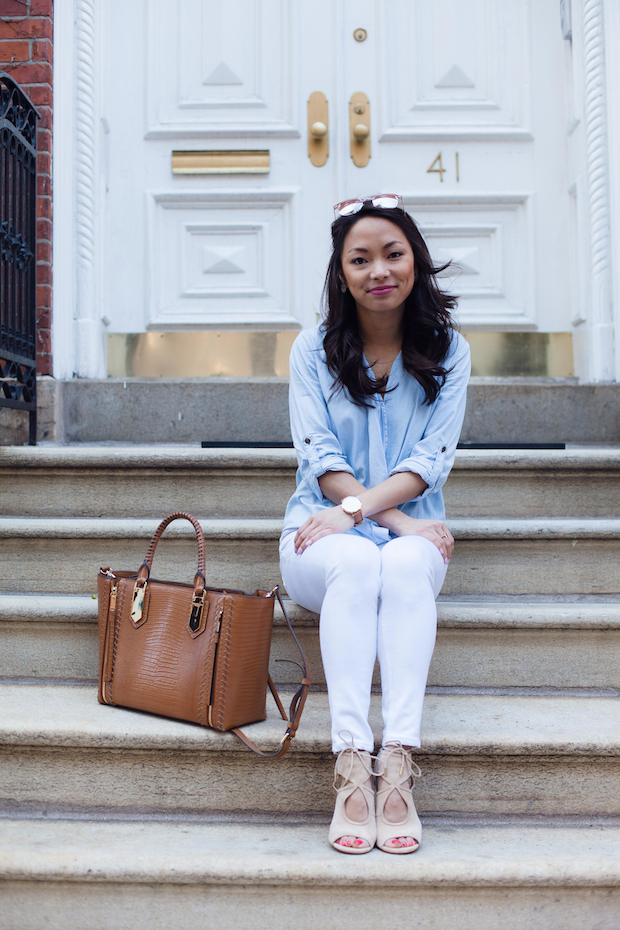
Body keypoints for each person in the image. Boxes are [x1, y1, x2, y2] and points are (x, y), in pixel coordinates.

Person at [279, 194, 470, 855]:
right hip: (319, 536)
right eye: (360, 259)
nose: (378, 270)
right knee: (361, 559)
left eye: (392, 253)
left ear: (414, 259)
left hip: (411, 540)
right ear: (342, 271)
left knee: (403, 562)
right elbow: (320, 459)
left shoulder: (449, 351)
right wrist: (387, 520)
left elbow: (429, 463)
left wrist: (387, 523)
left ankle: (397, 769)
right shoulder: (312, 351)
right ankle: (351, 765)